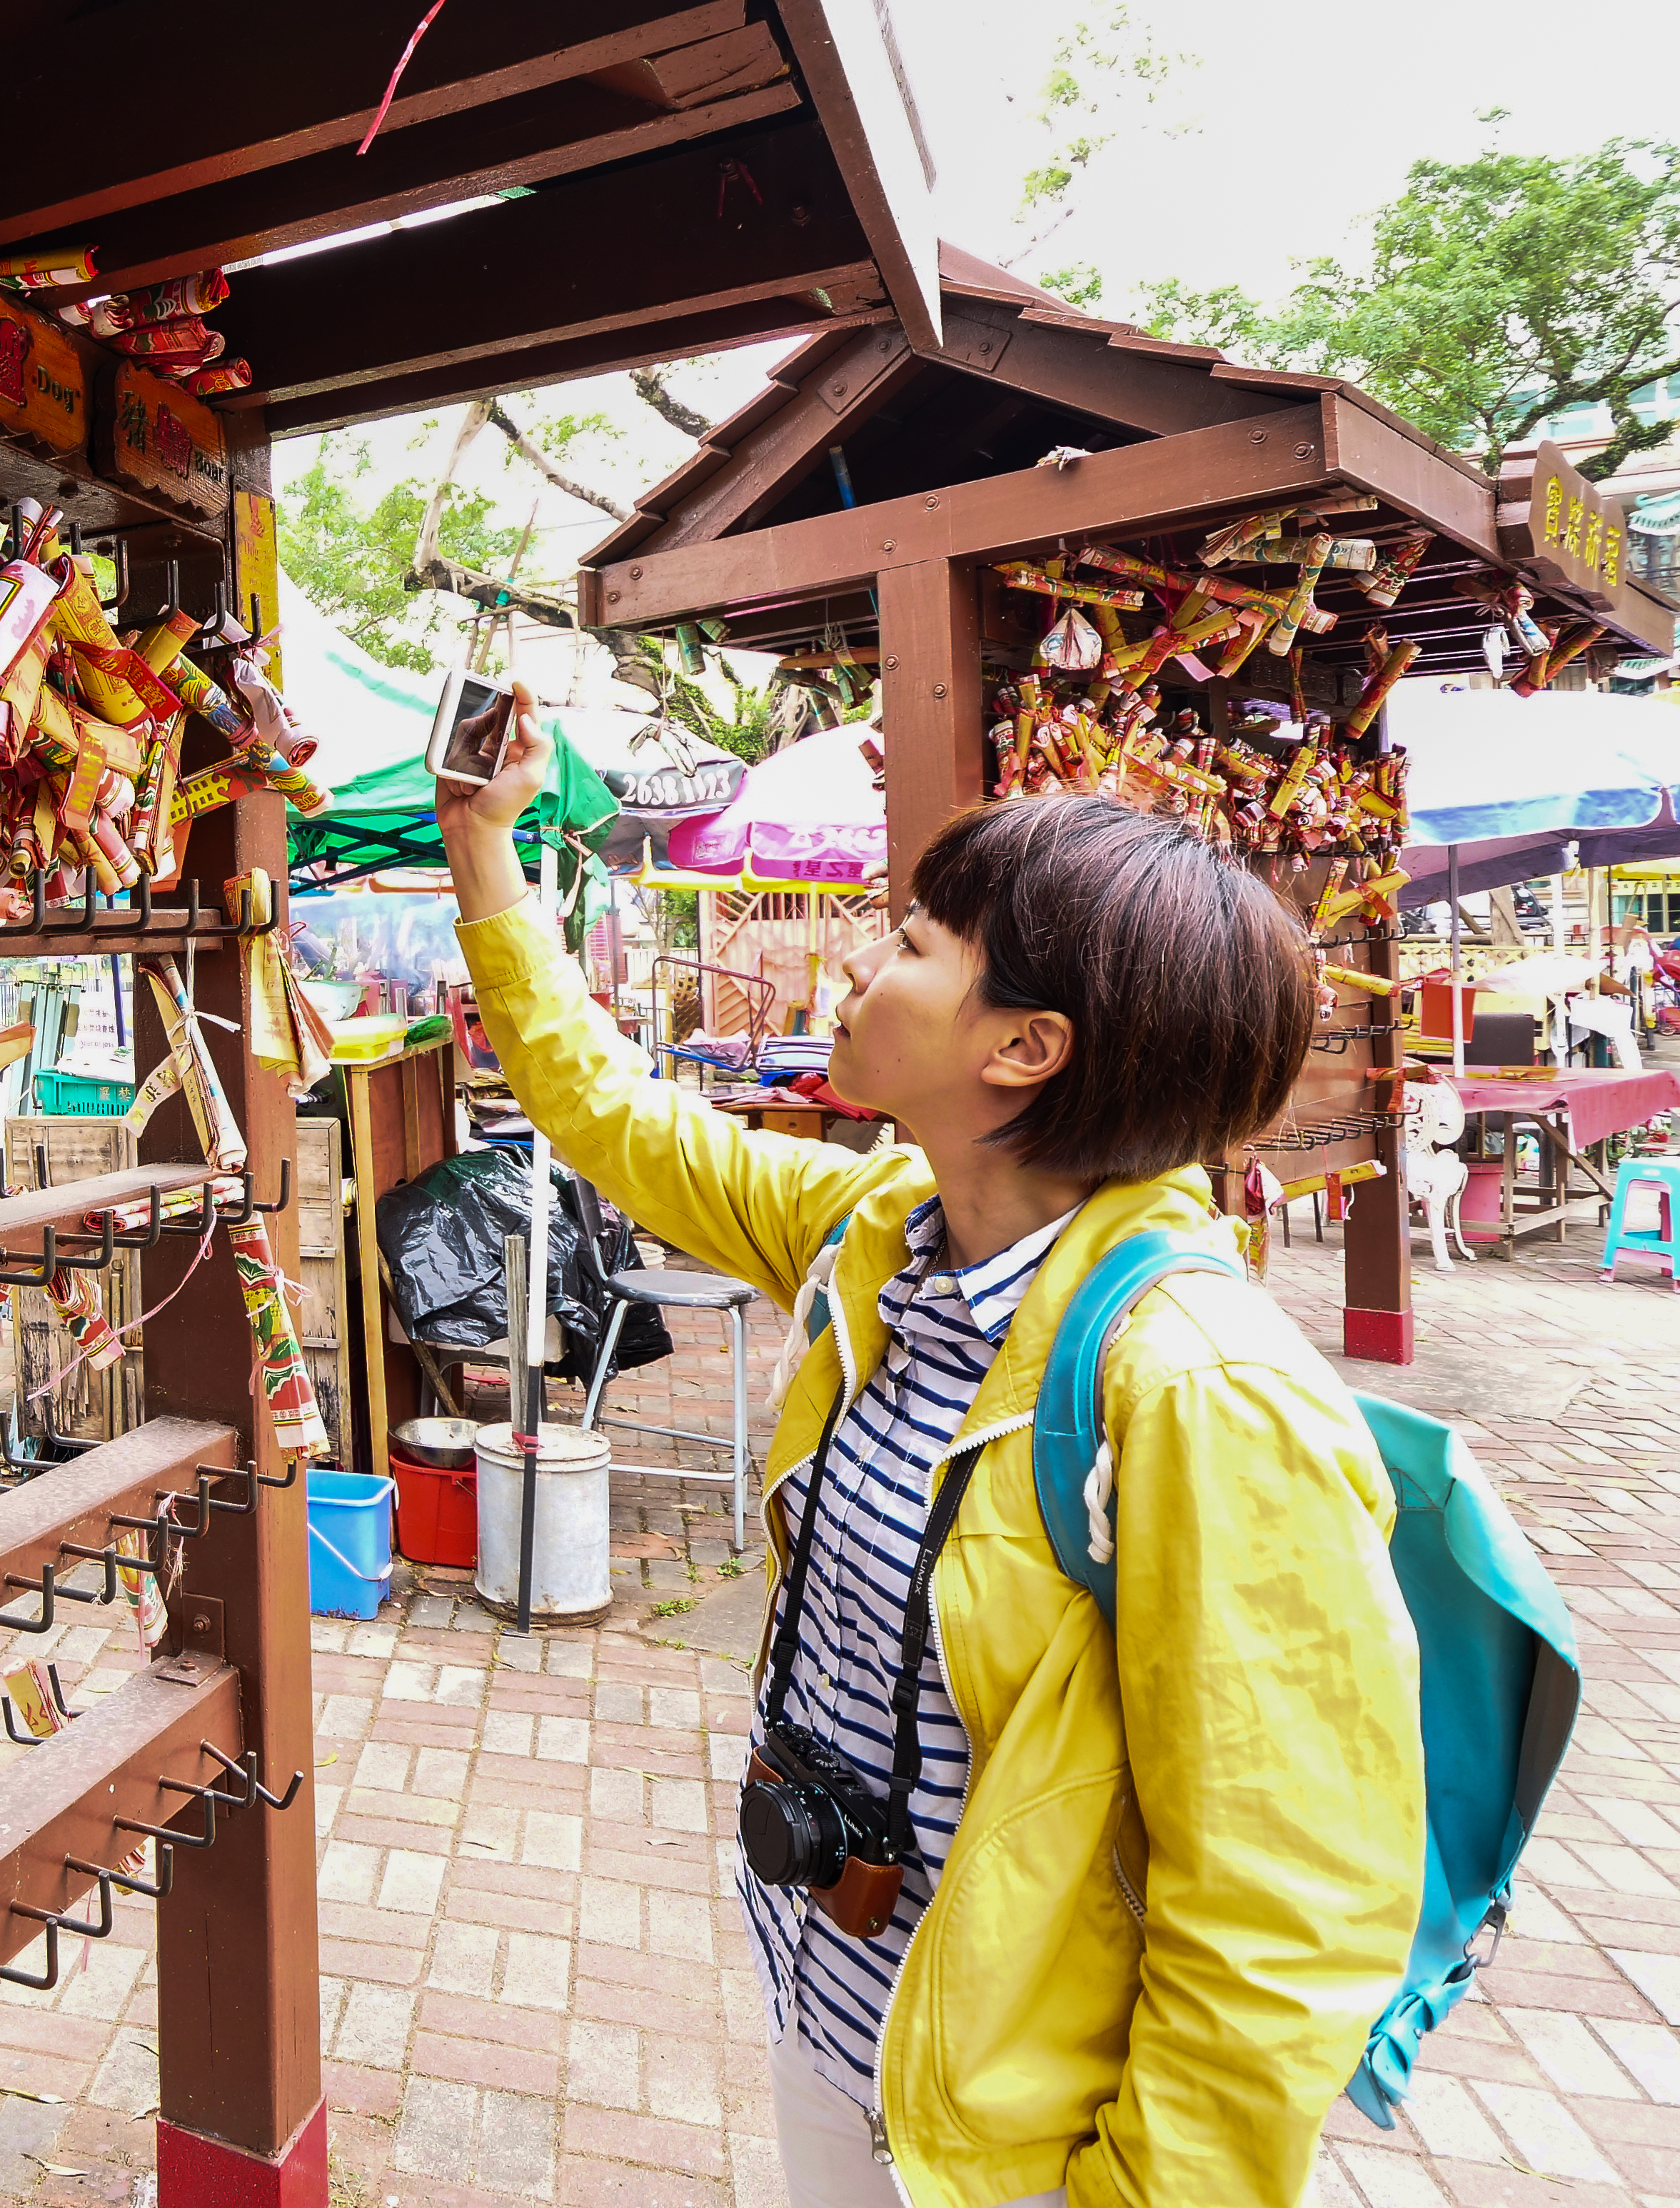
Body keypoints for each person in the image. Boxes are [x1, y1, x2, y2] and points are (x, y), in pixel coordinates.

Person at [440, 692, 1422, 2208]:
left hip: (1025, 2152)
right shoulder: (872, 1238)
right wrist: (483, 843)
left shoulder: (1202, 1395)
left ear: (1025, 1048)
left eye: (908, 943)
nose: (856, 961)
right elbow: (606, 1113)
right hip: (843, 2025)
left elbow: (1288, 1922)